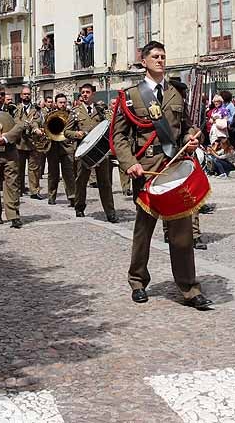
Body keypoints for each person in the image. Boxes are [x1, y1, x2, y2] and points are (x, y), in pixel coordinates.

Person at [110, 40, 210, 310]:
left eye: (163, 56)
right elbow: (118, 136)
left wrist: (191, 139)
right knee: (144, 230)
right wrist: (129, 162)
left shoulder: (176, 92)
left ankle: (189, 287)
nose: (160, 60)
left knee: (182, 232)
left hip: (175, 168)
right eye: (155, 56)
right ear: (144, 61)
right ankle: (138, 281)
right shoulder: (130, 95)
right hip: (147, 170)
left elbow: (186, 126)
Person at [70, 83, 117, 222]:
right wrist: (77, 134)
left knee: (105, 183)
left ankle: (110, 212)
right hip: (84, 151)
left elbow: (109, 125)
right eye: (83, 92)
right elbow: (66, 131)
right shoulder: (75, 111)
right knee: (81, 181)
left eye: (87, 92)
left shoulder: (100, 109)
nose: (85, 94)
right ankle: (79, 207)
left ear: (93, 94)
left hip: (101, 152)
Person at [45, 93, 77, 206]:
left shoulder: (72, 115)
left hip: (67, 147)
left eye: (64, 102)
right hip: (53, 147)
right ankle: (51, 196)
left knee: (69, 173)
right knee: (53, 173)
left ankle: (72, 197)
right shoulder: (50, 115)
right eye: (60, 102)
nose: (63, 104)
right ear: (56, 103)